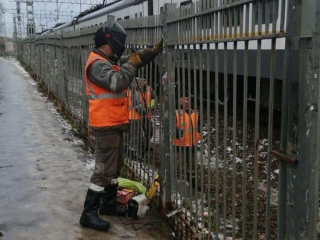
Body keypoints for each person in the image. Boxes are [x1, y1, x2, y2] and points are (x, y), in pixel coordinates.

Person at [79, 21, 163, 231]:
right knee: (103, 171)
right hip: (105, 124)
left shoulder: (107, 59)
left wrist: (148, 53)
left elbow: (127, 61)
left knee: (115, 167)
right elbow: (118, 82)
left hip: (114, 123)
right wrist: (133, 64)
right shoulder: (97, 63)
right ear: (111, 42)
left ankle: (107, 205)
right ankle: (88, 213)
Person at [173, 96, 200, 185]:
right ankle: (172, 184)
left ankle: (193, 182)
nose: (185, 101)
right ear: (178, 100)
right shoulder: (175, 112)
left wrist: (198, 135)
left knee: (192, 165)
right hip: (178, 145)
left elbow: (197, 126)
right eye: (183, 99)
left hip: (191, 144)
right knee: (176, 165)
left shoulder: (194, 112)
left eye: (187, 99)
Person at [127, 78, 154, 158]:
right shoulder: (133, 92)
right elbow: (137, 106)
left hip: (144, 116)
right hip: (135, 116)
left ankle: (142, 149)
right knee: (136, 136)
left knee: (148, 133)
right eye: (141, 81)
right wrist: (145, 111)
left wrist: (151, 105)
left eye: (144, 81)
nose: (143, 82)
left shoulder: (148, 90)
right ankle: (136, 153)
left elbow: (153, 99)